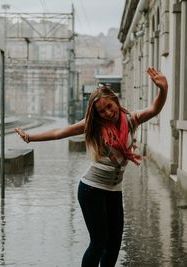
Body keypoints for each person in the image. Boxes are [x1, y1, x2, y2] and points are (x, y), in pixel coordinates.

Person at [14, 67, 168, 267]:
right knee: (99, 243)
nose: (107, 113)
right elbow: (60, 132)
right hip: (91, 190)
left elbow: (154, 109)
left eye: (109, 106)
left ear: (115, 100)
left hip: (114, 191)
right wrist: (30, 137)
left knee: (114, 245)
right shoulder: (94, 125)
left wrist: (163, 90)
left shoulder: (131, 120)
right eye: (101, 111)